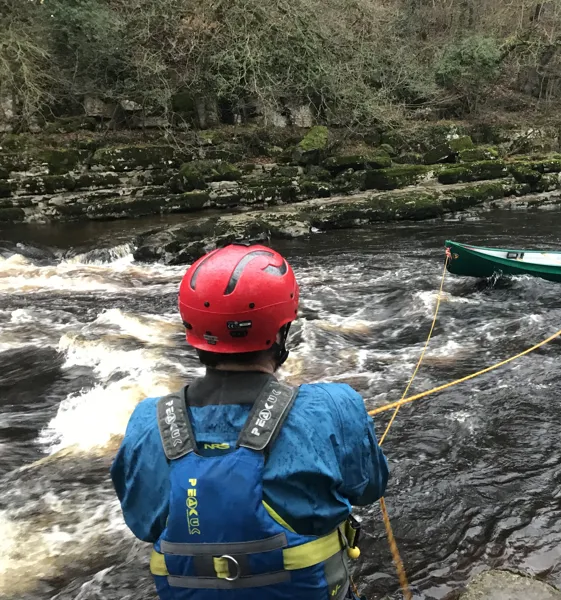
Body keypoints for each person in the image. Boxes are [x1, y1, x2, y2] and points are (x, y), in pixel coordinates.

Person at [110, 243, 389, 600]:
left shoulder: (148, 421)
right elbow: (370, 488)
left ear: (192, 329)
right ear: (282, 329)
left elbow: (143, 522)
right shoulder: (334, 405)